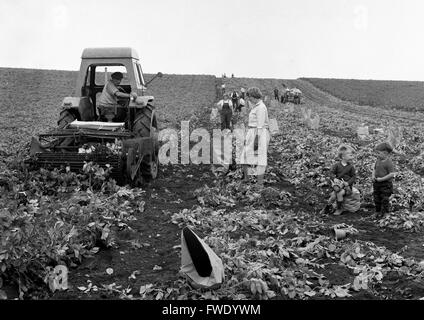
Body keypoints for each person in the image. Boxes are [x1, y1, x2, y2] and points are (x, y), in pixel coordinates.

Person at [239, 87, 270, 186]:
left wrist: (256, 139)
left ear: (254, 96)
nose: (249, 99)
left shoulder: (261, 107)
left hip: (259, 134)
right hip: (252, 132)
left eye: (250, 97)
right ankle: (246, 178)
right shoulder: (256, 106)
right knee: (244, 156)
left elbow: (260, 126)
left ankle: (259, 183)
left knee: (260, 158)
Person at [320, 145, 356, 215]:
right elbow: (331, 173)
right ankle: (327, 207)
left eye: (352, 155)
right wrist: (335, 179)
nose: (352, 156)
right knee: (333, 196)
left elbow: (353, 177)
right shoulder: (337, 165)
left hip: (346, 187)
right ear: (343, 157)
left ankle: (339, 209)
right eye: (350, 155)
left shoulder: (351, 167)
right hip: (338, 185)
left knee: (339, 193)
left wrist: (348, 183)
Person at [372, 142, 396, 218]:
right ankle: (377, 211)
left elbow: (391, 174)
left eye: (378, 153)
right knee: (376, 197)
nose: (377, 155)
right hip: (377, 182)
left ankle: (386, 212)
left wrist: (382, 179)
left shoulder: (389, 163)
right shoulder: (378, 160)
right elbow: (374, 169)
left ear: (385, 153)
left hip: (385, 184)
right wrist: (373, 175)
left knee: (385, 198)